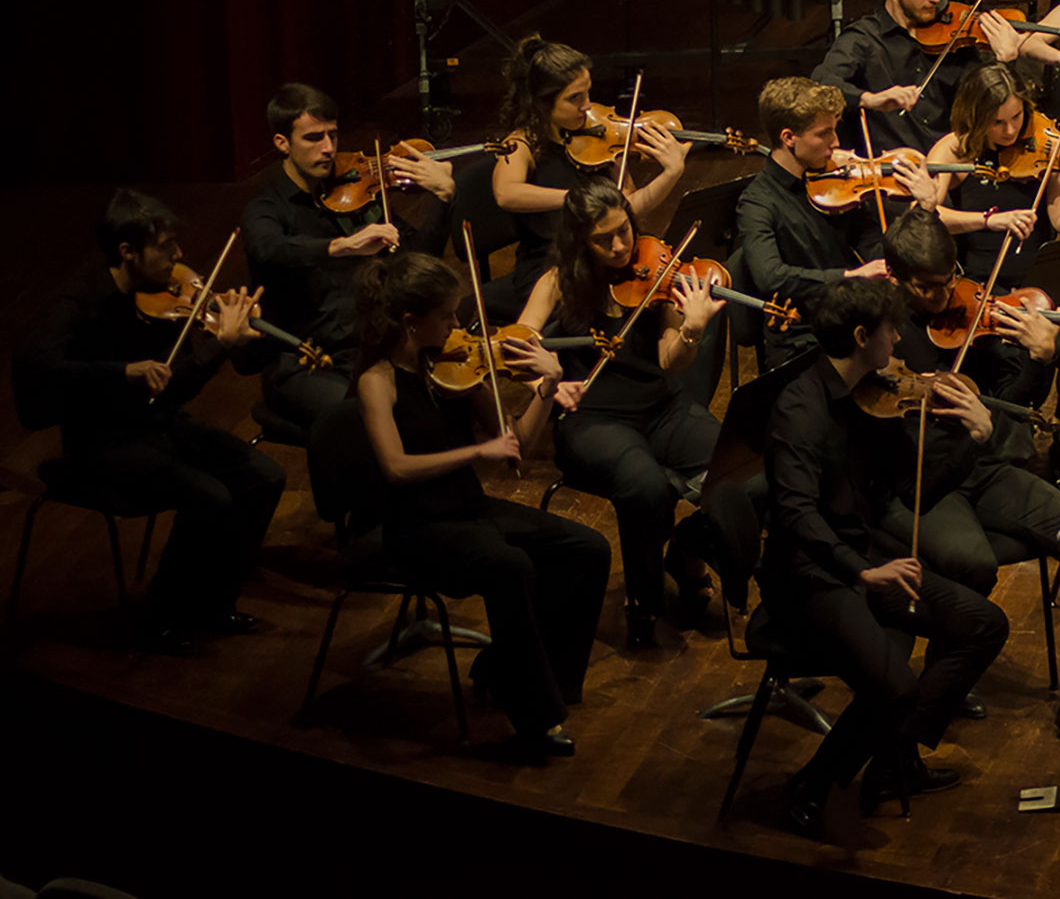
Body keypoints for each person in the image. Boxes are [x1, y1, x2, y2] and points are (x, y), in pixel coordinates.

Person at [882, 207, 1060, 739]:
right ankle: (944, 677)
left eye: (950, 280)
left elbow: (1010, 406)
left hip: (981, 465)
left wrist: (1039, 358)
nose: (945, 297)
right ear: (895, 277)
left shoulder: (972, 312)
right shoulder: (882, 331)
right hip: (921, 482)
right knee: (970, 561)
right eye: (928, 288)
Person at [762, 276, 1009, 836]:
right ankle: (814, 784)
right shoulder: (799, 409)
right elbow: (797, 516)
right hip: (814, 575)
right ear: (859, 335)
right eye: (891, 331)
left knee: (983, 624)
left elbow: (914, 494)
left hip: (864, 557)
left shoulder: (873, 396)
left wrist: (973, 440)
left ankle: (894, 758)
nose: (899, 341)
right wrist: (863, 570)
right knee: (894, 687)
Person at [353, 252, 610, 757]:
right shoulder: (376, 381)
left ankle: (530, 677)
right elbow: (396, 468)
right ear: (410, 322)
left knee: (587, 547)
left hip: (468, 509)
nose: (458, 327)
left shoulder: (455, 368)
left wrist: (549, 384)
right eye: (447, 317)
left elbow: (517, 446)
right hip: (416, 528)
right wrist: (477, 451)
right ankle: (534, 720)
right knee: (509, 566)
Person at [18, 189, 284, 653]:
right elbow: (36, 369)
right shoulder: (77, 304)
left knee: (265, 475)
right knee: (212, 496)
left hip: (156, 424)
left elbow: (173, 388)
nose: (179, 256)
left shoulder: (155, 299)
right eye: (165, 247)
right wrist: (121, 371)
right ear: (127, 251)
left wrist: (222, 344)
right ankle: (158, 616)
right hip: (100, 444)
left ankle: (213, 603)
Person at [513, 177, 724, 648]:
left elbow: (671, 361)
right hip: (592, 418)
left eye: (624, 230)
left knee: (740, 468)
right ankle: (644, 603)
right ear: (578, 241)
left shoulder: (656, 269)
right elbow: (518, 342)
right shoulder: (558, 283)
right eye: (603, 238)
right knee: (646, 488)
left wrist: (691, 330)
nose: (620, 245)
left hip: (662, 406)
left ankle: (688, 548)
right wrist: (544, 380)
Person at [241, 82, 455, 430]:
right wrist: (342, 246)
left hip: (370, 348)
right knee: (369, 421)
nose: (328, 149)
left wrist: (443, 201)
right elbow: (269, 249)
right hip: (305, 361)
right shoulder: (265, 209)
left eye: (333, 135)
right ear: (282, 143)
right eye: (313, 138)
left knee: (445, 403)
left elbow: (416, 262)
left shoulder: (354, 195)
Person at [490, 34, 690, 316]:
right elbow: (506, 193)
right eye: (574, 98)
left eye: (587, 93)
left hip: (604, 258)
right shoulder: (522, 144)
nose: (587, 106)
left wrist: (671, 173)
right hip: (552, 272)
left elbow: (628, 207)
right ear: (543, 103)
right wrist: (576, 200)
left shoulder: (601, 141)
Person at [737, 76, 924, 367]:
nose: (835, 143)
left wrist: (894, 257)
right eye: (823, 133)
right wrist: (851, 276)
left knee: (921, 353)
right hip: (804, 336)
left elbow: (868, 237)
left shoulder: (838, 179)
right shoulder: (757, 202)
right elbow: (771, 276)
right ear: (789, 138)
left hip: (855, 319)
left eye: (834, 131)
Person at [811, 0, 1023, 154]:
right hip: (890, 180)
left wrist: (1006, 62)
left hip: (955, 171)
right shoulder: (864, 40)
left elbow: (990, 108)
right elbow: (821, 83)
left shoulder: (957, 38)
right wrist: (870, 99)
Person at [925, 62, 1060, 285]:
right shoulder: (955, 149)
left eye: (1016, 116)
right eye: (997, 122)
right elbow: (927, 215)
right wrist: (989, 220)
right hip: (978, 282)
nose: (1010, 130)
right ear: (975, 115)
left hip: (1036, 281)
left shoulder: (1042, 141)